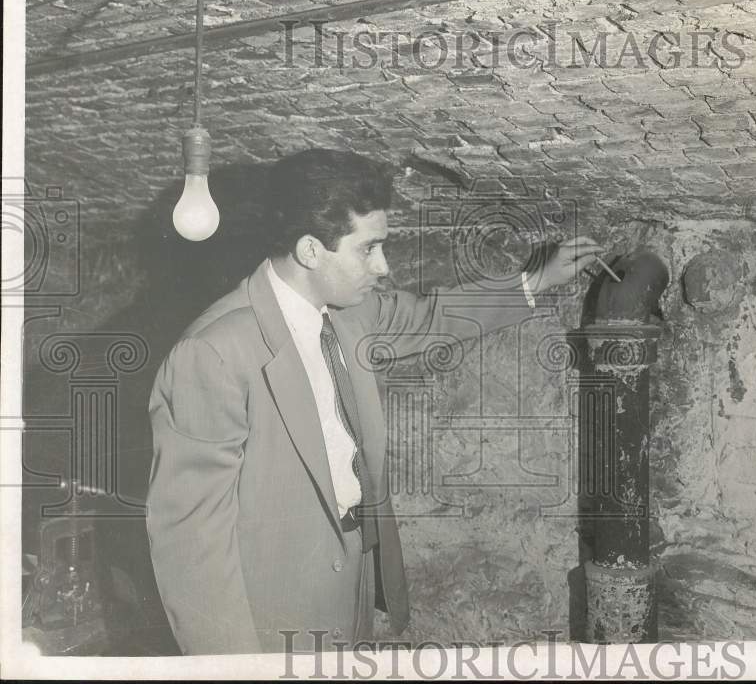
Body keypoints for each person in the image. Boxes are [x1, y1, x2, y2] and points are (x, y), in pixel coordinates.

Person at [145, 148, 603, 655]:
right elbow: (190, 544)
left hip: (354, 577)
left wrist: (536, 280)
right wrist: (232, 669)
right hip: (269, 608)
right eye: (369, 249)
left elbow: (433, 318)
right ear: (310, 251)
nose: (383, 267)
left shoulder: (349, 312)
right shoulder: (212, 353)